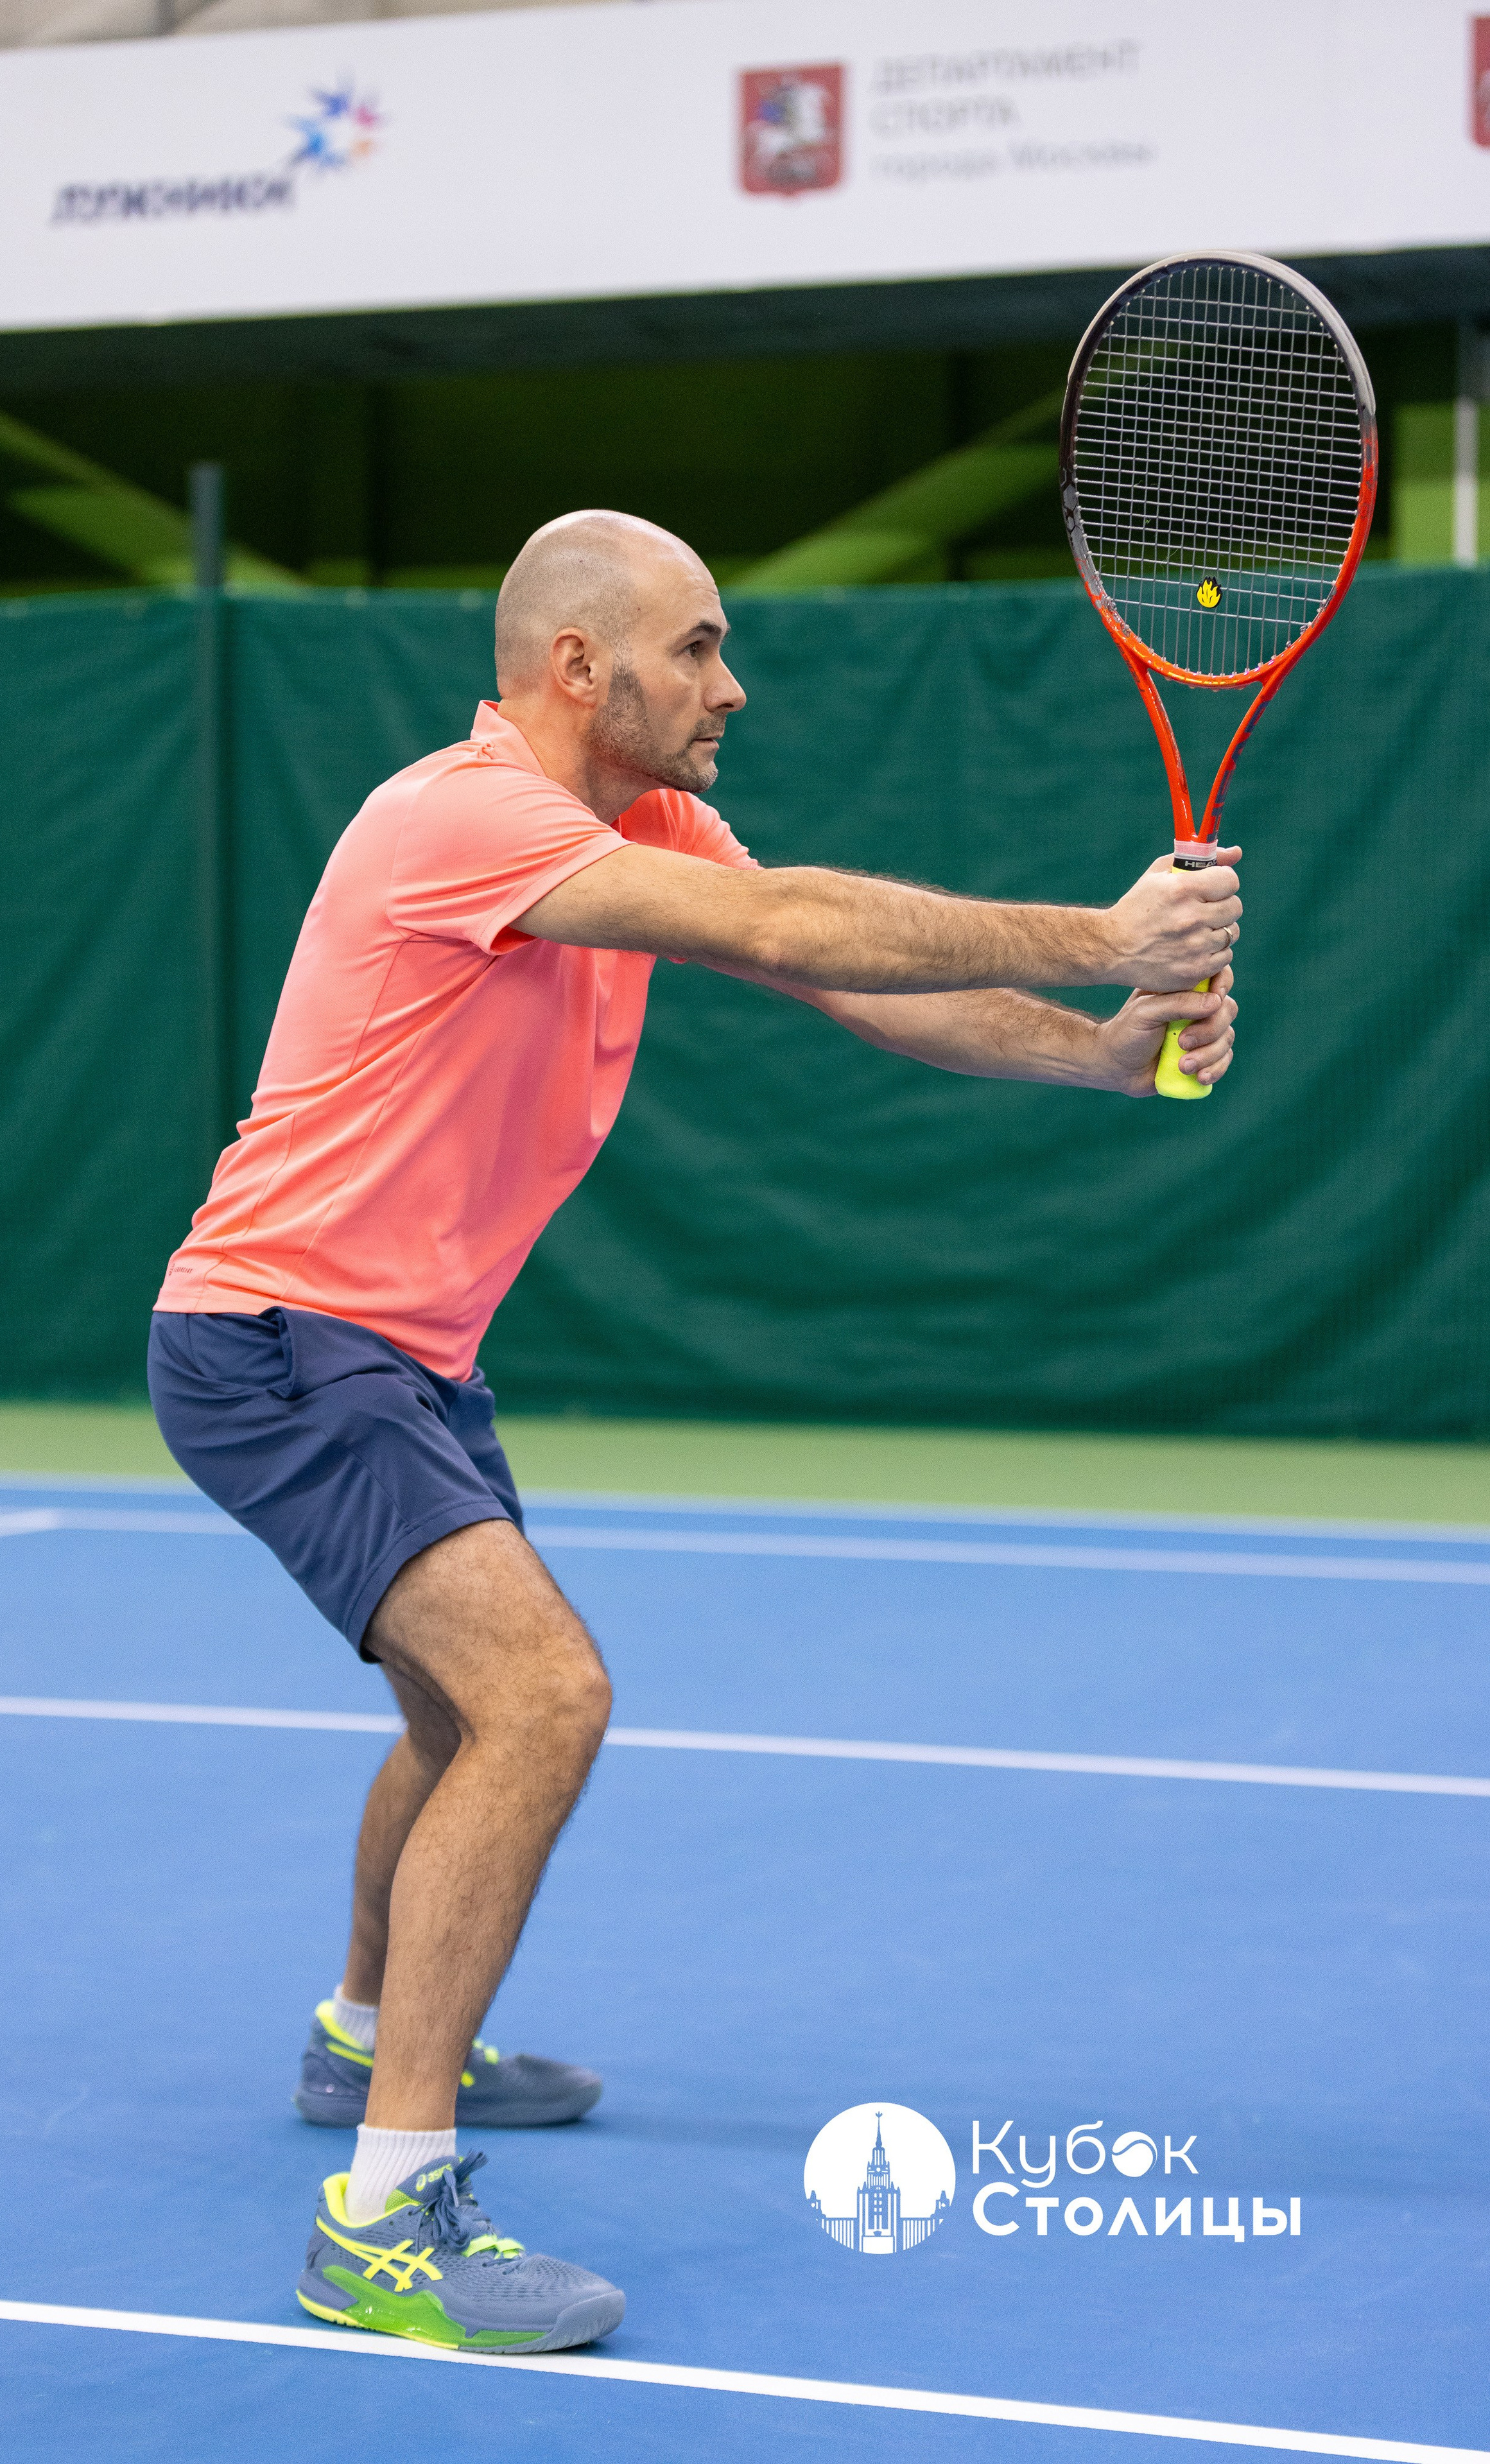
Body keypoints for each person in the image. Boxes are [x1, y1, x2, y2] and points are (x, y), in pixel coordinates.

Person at [146, 510, 1239, 2356]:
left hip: (399, 1351)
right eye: (701, 648)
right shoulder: (462, 818)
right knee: (544, 1697)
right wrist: (1100, 927)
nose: (733, 685)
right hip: (281, 1340)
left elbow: (851, 979)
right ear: (580, 668)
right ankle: (386, 2226)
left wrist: (1102, 1041)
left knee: (453, 1709)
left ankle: (362, 2043)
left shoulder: (641, 824)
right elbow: (788, 916)